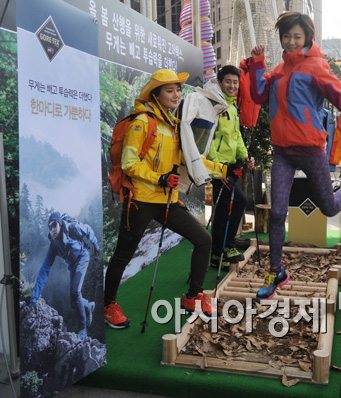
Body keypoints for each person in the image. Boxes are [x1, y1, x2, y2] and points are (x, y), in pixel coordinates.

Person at [248, 12, 341, 300]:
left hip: (311, 150)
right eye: (286, 36)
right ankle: (276, 271)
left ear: (308, 37)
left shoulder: (317, 67)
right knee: (277, 214)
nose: (291, 41)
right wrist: (257, 64)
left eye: (296, 36)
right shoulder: (280, 70)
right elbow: (259, 95)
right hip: (282, 152)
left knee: (329, 207)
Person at [103, 69, 213, 329]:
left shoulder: (174, 125)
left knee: (203, 239)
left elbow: (193, 160)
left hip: (168, 201)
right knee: (122, 255)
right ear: (156, 94)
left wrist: (225, 170)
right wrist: (159, 178)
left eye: (178, 90)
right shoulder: (143, 122)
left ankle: (192, 297)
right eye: (170, 90)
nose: (176, 95)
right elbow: (130, 163)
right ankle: (108, 305)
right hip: (140, 201)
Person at [206, 65, 255, 268]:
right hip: (220, 169)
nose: (232, 85)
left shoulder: (233, 107)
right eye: (228, 81)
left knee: (228, 207)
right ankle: (223, 248)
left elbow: (236, 137)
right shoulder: (214, 106)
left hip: (232, 166)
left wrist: (246, 157)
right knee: (234, 203)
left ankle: (222, 250)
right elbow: (208, 141)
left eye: (235, 82)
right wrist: (218, 168)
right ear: (219, 82)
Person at [30, 211, 99, 340]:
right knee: (74, 302)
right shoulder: (53, 246)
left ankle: (83, 329)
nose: (52, 229)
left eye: (54, 225)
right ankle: (88, 305)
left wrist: (95, 244)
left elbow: (88, 229)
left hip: (82, 258)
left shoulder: (73, 228)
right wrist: (34, 298)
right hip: (72, 265)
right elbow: (44, 271)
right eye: (49, 227)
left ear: (60, 224)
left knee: (75, 292)